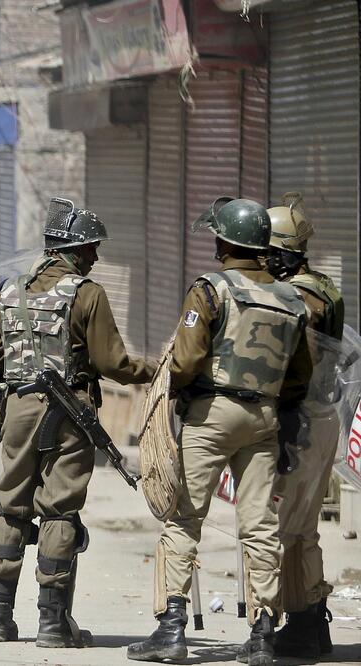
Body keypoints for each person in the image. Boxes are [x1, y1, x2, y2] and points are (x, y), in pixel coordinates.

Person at [127, 198, 311, 666]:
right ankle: (263, 633)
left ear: (226, 242)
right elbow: (299, 376)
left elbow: (186, 361)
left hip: (211, 414)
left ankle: (171, 629)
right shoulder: (292, 299)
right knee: (259, 526)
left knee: (183, 518)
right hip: (265, 419)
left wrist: (185, 394)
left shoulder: (210, 289)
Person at [0, 197, 155, 647]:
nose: (95, 256)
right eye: (91, 247)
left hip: (18, 410)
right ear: (73, 248)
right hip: (69, 412)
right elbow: (111, 362)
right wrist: (157, 370)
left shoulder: (8, 290)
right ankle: (53, 622)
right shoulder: (87, 294)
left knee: (12, 505)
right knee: (59, 510)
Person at [265, 193, 343, 658]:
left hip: (301, 419)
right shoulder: (323, 285)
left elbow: (296, 363)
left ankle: (274, 625)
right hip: (319, 416)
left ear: (280, 254)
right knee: (301, 528)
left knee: (274, 527)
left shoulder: (301, 297)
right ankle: (309, 625)